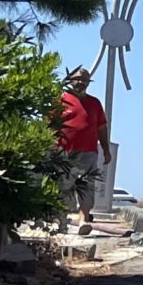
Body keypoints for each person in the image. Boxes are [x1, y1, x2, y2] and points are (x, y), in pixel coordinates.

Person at [52, 66, 112, 235]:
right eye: (78, 79)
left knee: (86, 185)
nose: (81, 83)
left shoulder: (94, 103)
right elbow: (48, 125)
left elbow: (101, 127)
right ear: (70, 80)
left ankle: (83, 220)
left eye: (84, 80)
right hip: (64, 152)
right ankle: (61, 221)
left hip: (88, 151)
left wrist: (106, 150)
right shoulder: (60, 100)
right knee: (64, 186)